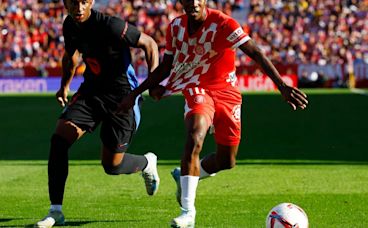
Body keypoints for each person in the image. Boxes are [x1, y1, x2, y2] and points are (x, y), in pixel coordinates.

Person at [117, 0, 309, 227]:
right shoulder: (175, 27)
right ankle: (188, 212)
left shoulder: (224, 23)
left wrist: (282, 85)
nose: (193, 3)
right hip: (197, 88)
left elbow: (255, 52)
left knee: (227, 160)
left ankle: (185, 176)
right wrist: (139, 91)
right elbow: (167, 66)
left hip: (227, 93)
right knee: (195, 135)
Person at [35, 0, 160, 227]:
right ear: (65, 3)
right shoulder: (70, 25)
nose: (79, 7)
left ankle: (146, 163)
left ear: (91, 1)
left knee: (112, 166)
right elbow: (71, 55)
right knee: (59, 139)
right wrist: (65, 85)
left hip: (122, 96)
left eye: (84, 2)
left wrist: (152, 82)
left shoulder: (111, 25)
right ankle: (56, 211)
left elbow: (150, 44)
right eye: (73, 2)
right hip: (91, 92)